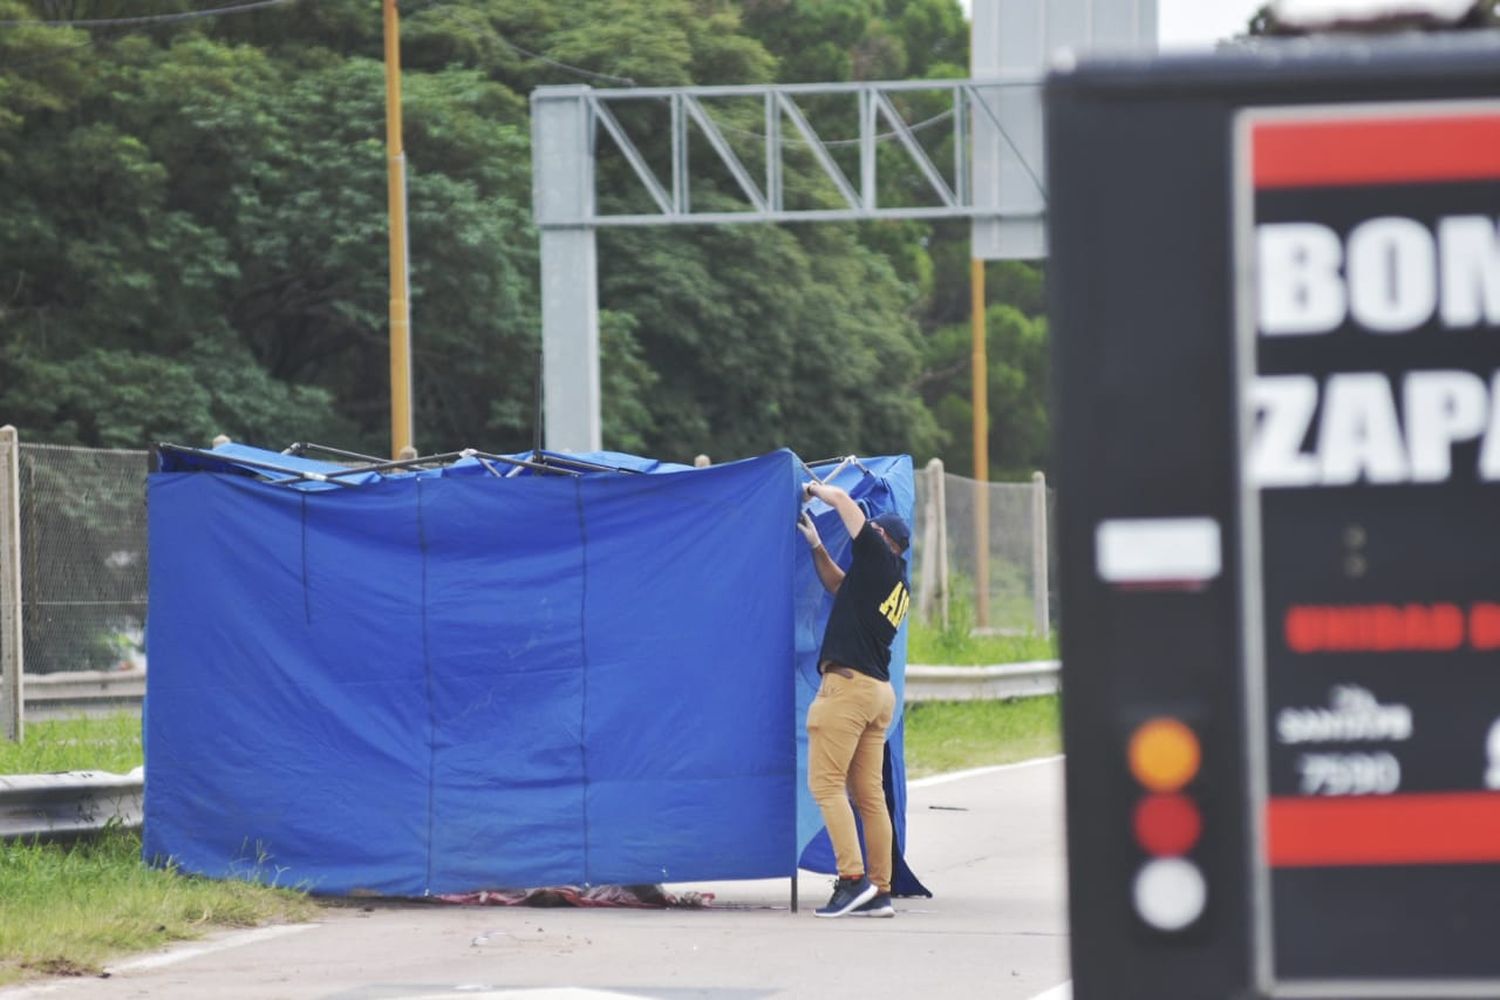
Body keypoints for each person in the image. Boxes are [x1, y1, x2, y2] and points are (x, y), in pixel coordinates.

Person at [796, 480, 912, 918]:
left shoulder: (877, 554)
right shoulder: (892, 582)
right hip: (877, 694)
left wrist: (813, 488)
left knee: (826, 785)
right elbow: (838, 587)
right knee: (869, 796)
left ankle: (851, 880)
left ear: (884, 540)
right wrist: (816, 546)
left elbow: (844, 501)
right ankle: (879, 889)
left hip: (847, 690)